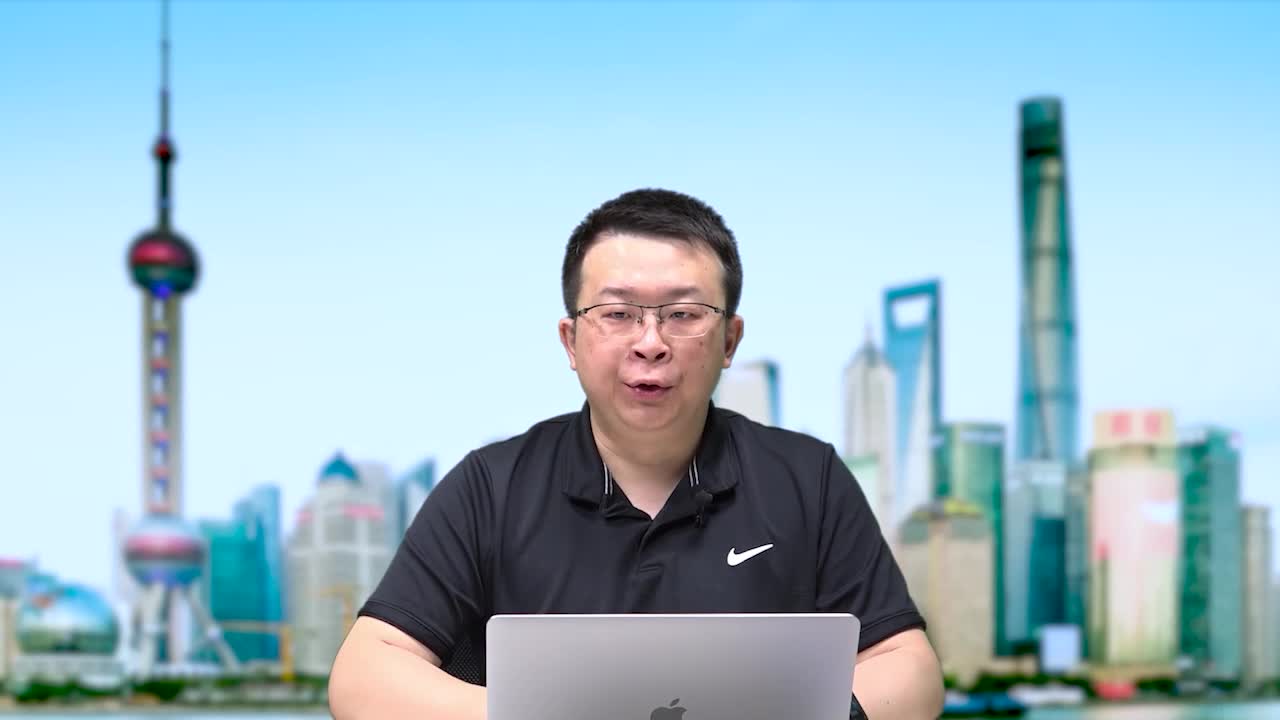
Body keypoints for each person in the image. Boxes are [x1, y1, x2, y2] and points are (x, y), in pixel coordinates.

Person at [328, 188, 944, 720]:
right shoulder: (491, 486)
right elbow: (362, 678)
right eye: (618, 313)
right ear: (570, 340)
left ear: (730, 340)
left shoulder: (808, 478)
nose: (651, 343)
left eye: (683, 314)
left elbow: (910, 669)